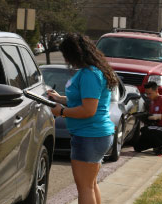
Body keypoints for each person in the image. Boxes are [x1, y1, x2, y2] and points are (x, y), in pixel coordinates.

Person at [48, 33, 118, 204]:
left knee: (84, 187)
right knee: (90, 184)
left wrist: (62, 112)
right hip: (93, 135)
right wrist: (60, 98)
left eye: (66, 55)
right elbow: (83, 100)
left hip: (90, 136)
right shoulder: (92, 72)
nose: (65, 59)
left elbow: (88, 110)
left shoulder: (90, 74)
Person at [134, 82, 162, 156]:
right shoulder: (152, 102)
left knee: (145, 130)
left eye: (150, 94)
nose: (148, 96)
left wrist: (159, 116)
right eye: (146, 94)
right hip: (155, 128)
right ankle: (158, 145)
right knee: (137, 147)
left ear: (156, 91)